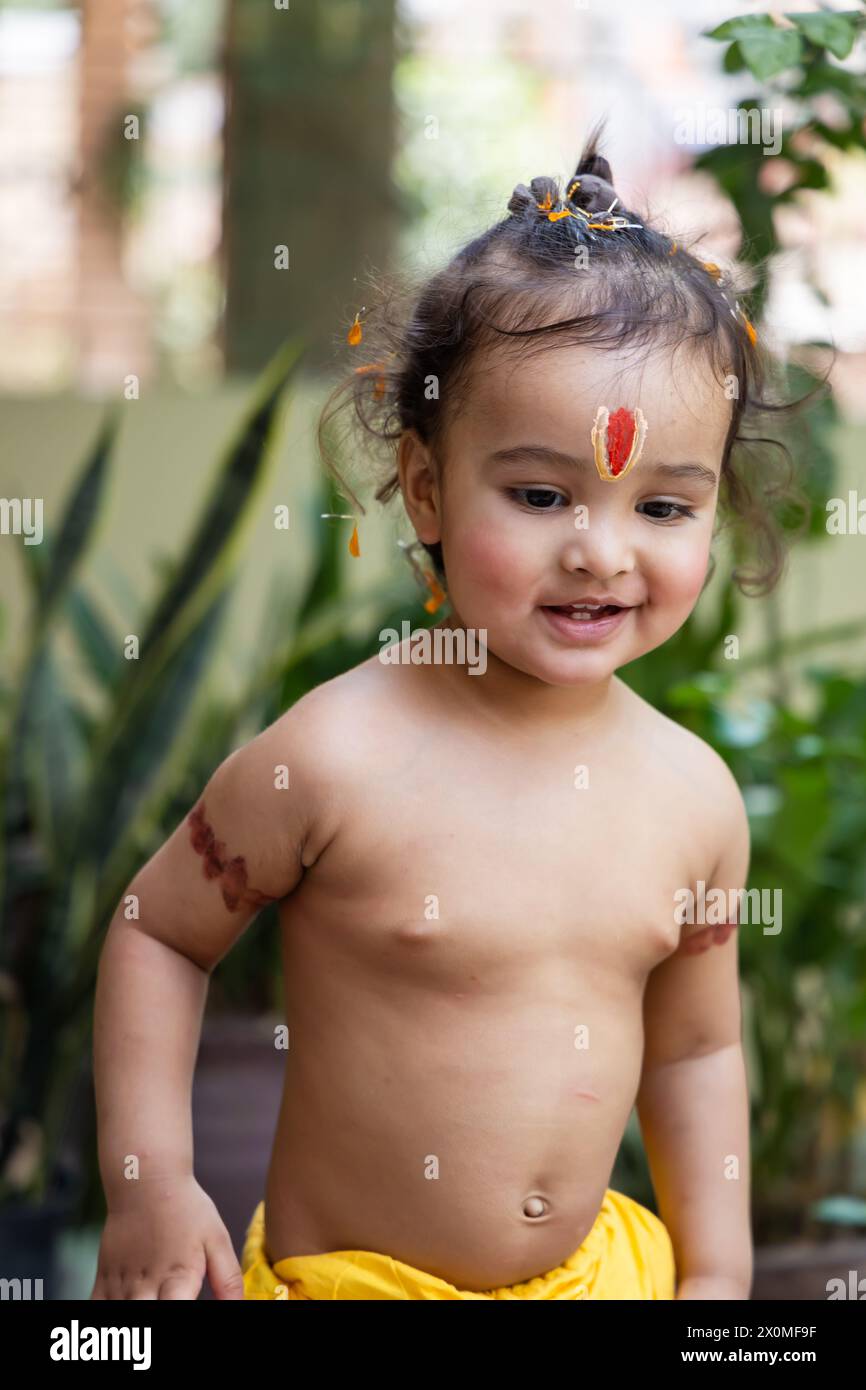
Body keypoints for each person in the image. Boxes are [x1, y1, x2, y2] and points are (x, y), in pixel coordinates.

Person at [90, 118, 813, 1300]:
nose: (599, 552)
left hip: (602, 1281)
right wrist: (150, 1182)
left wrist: (716, 1285)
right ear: (425, 487)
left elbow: (695, 1048)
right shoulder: (332, 755)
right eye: (539, 493)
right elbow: (158, 932)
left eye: (664, 509)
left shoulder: (691, 796)